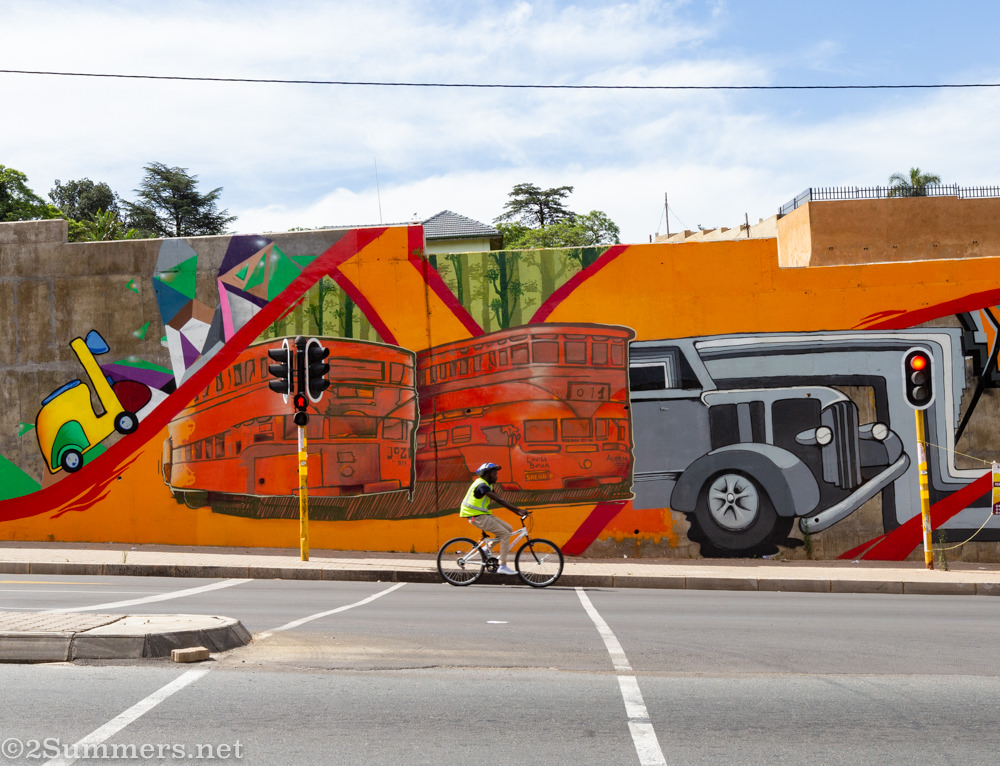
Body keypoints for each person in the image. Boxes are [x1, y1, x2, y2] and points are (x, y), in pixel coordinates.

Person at [460, 462, 529, 575]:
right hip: (475, 516)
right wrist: (517, 510)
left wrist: (517, 510)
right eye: (494, 474)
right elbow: (499, 500)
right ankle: (502, 565)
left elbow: (500, 499)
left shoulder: (488, 485)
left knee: (508, 529)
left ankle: (486, 550)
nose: (496, 476)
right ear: (486, 474)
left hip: (481, 514)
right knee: (504, 534)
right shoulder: (482, 486)